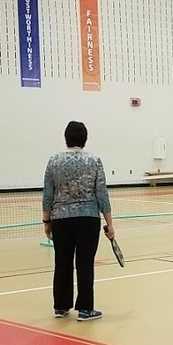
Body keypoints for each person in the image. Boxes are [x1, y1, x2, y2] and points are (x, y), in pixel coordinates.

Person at [42, 121, 114, 321]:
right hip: (88, 219)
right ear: (85, 139)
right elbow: (102, 193)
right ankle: (85, 309)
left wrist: (46, 220)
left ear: (66, 138)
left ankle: (61, 306)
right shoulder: (94, 161)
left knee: (62, 262)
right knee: (85, 263)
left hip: (60, 219)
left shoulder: (53, 161)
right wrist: (110, 223)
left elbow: (48, 194)